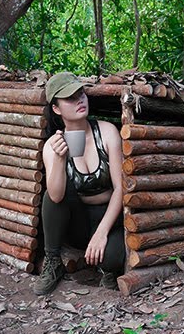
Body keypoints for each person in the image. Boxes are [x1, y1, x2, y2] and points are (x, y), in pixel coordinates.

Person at [33, 72, 126, 295]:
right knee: (50, 195)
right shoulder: (52, 146)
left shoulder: (107, 132)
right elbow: (55, 198)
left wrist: (102, 231)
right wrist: (59, 158)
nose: (80, 100)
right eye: (70, 98)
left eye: (81, 94)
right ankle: (53, 262)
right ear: (56, 108)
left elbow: (121, 188)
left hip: (108, 216)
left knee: (112, 259)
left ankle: (107, 270)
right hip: (77, 222)